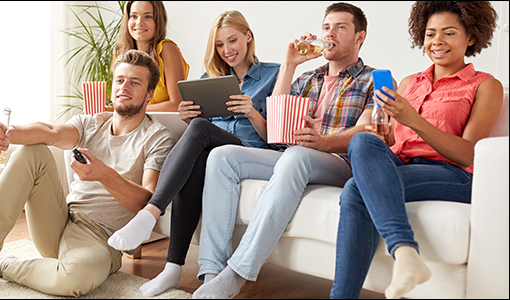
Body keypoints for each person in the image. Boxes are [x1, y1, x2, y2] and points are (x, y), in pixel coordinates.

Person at [0, 49, 176, 297]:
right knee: (32, 153)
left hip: (101, 239)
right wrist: (8, 134)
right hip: (60, 220)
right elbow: (50, 131)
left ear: (149, 94)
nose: (124, 87)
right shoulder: (91, 123)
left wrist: (104, 174)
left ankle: (2, 264)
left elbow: (147, 203)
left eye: (135, 82)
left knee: (75, 276)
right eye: (120, 80)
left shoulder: (157, 137)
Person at [193, 3, 378, 299]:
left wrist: (323, 142)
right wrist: (290, 63)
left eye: (340, 27)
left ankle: (238, 271)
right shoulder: (307, 79)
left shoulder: (375, 78)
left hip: (338, 161)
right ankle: (212, 272)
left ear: (360, 37)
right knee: (222, 156)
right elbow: (277, 127)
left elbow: (369, 131)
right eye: (326, 27)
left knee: (296, 155)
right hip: (294, 157)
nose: (330, 33)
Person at [330, 1, 502, 299]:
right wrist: (381, 134)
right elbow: (393, 142)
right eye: (430, 34)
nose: (437, 42)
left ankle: (400, 254)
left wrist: (414, 120)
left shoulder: (485, 85)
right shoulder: (411, 82)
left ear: (470, 37)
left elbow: (469, 154)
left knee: (355, 189)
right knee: (362, 141)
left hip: (453, 173)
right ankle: (407, 255)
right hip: (402, 164)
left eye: (449, 33)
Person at [107, 10, 281, 297]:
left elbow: (277, 140)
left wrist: (251, 112)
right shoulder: (209, 79)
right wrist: (186, 118)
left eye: (233, 40)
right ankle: (173, 269)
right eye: (220, 45)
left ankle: (150, 213)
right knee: (197, 150)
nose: (227, 50)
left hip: (252, 154)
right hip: (217, 153)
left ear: (249, 37)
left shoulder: (274, 74)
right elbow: (205, 130)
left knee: (200, 129)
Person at [112, 1, 189, 112]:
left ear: (158, 21)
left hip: (165, 124)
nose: (139, 22)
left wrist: (131, 110)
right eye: (134, 16)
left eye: (147, 16)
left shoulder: (166, 49)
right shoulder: (120, 55)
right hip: (132, 123)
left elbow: (177, 104)